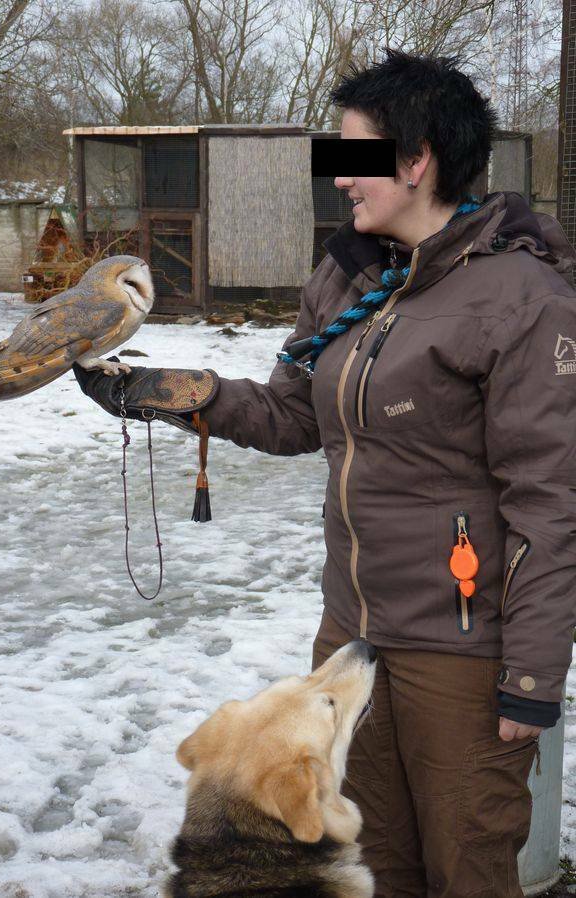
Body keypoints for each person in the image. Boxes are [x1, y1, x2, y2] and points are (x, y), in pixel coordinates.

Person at [74, 48, 576, 898]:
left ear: (416, 161)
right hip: (349, 640)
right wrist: (187, 395)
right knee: (368, 867)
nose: (341, 180)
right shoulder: (350, 276)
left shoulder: (520, 299)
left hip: (463, 651)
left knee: (468, 869)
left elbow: (552, 503)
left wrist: (528, 683)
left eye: (355, 156)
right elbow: (296, 415)